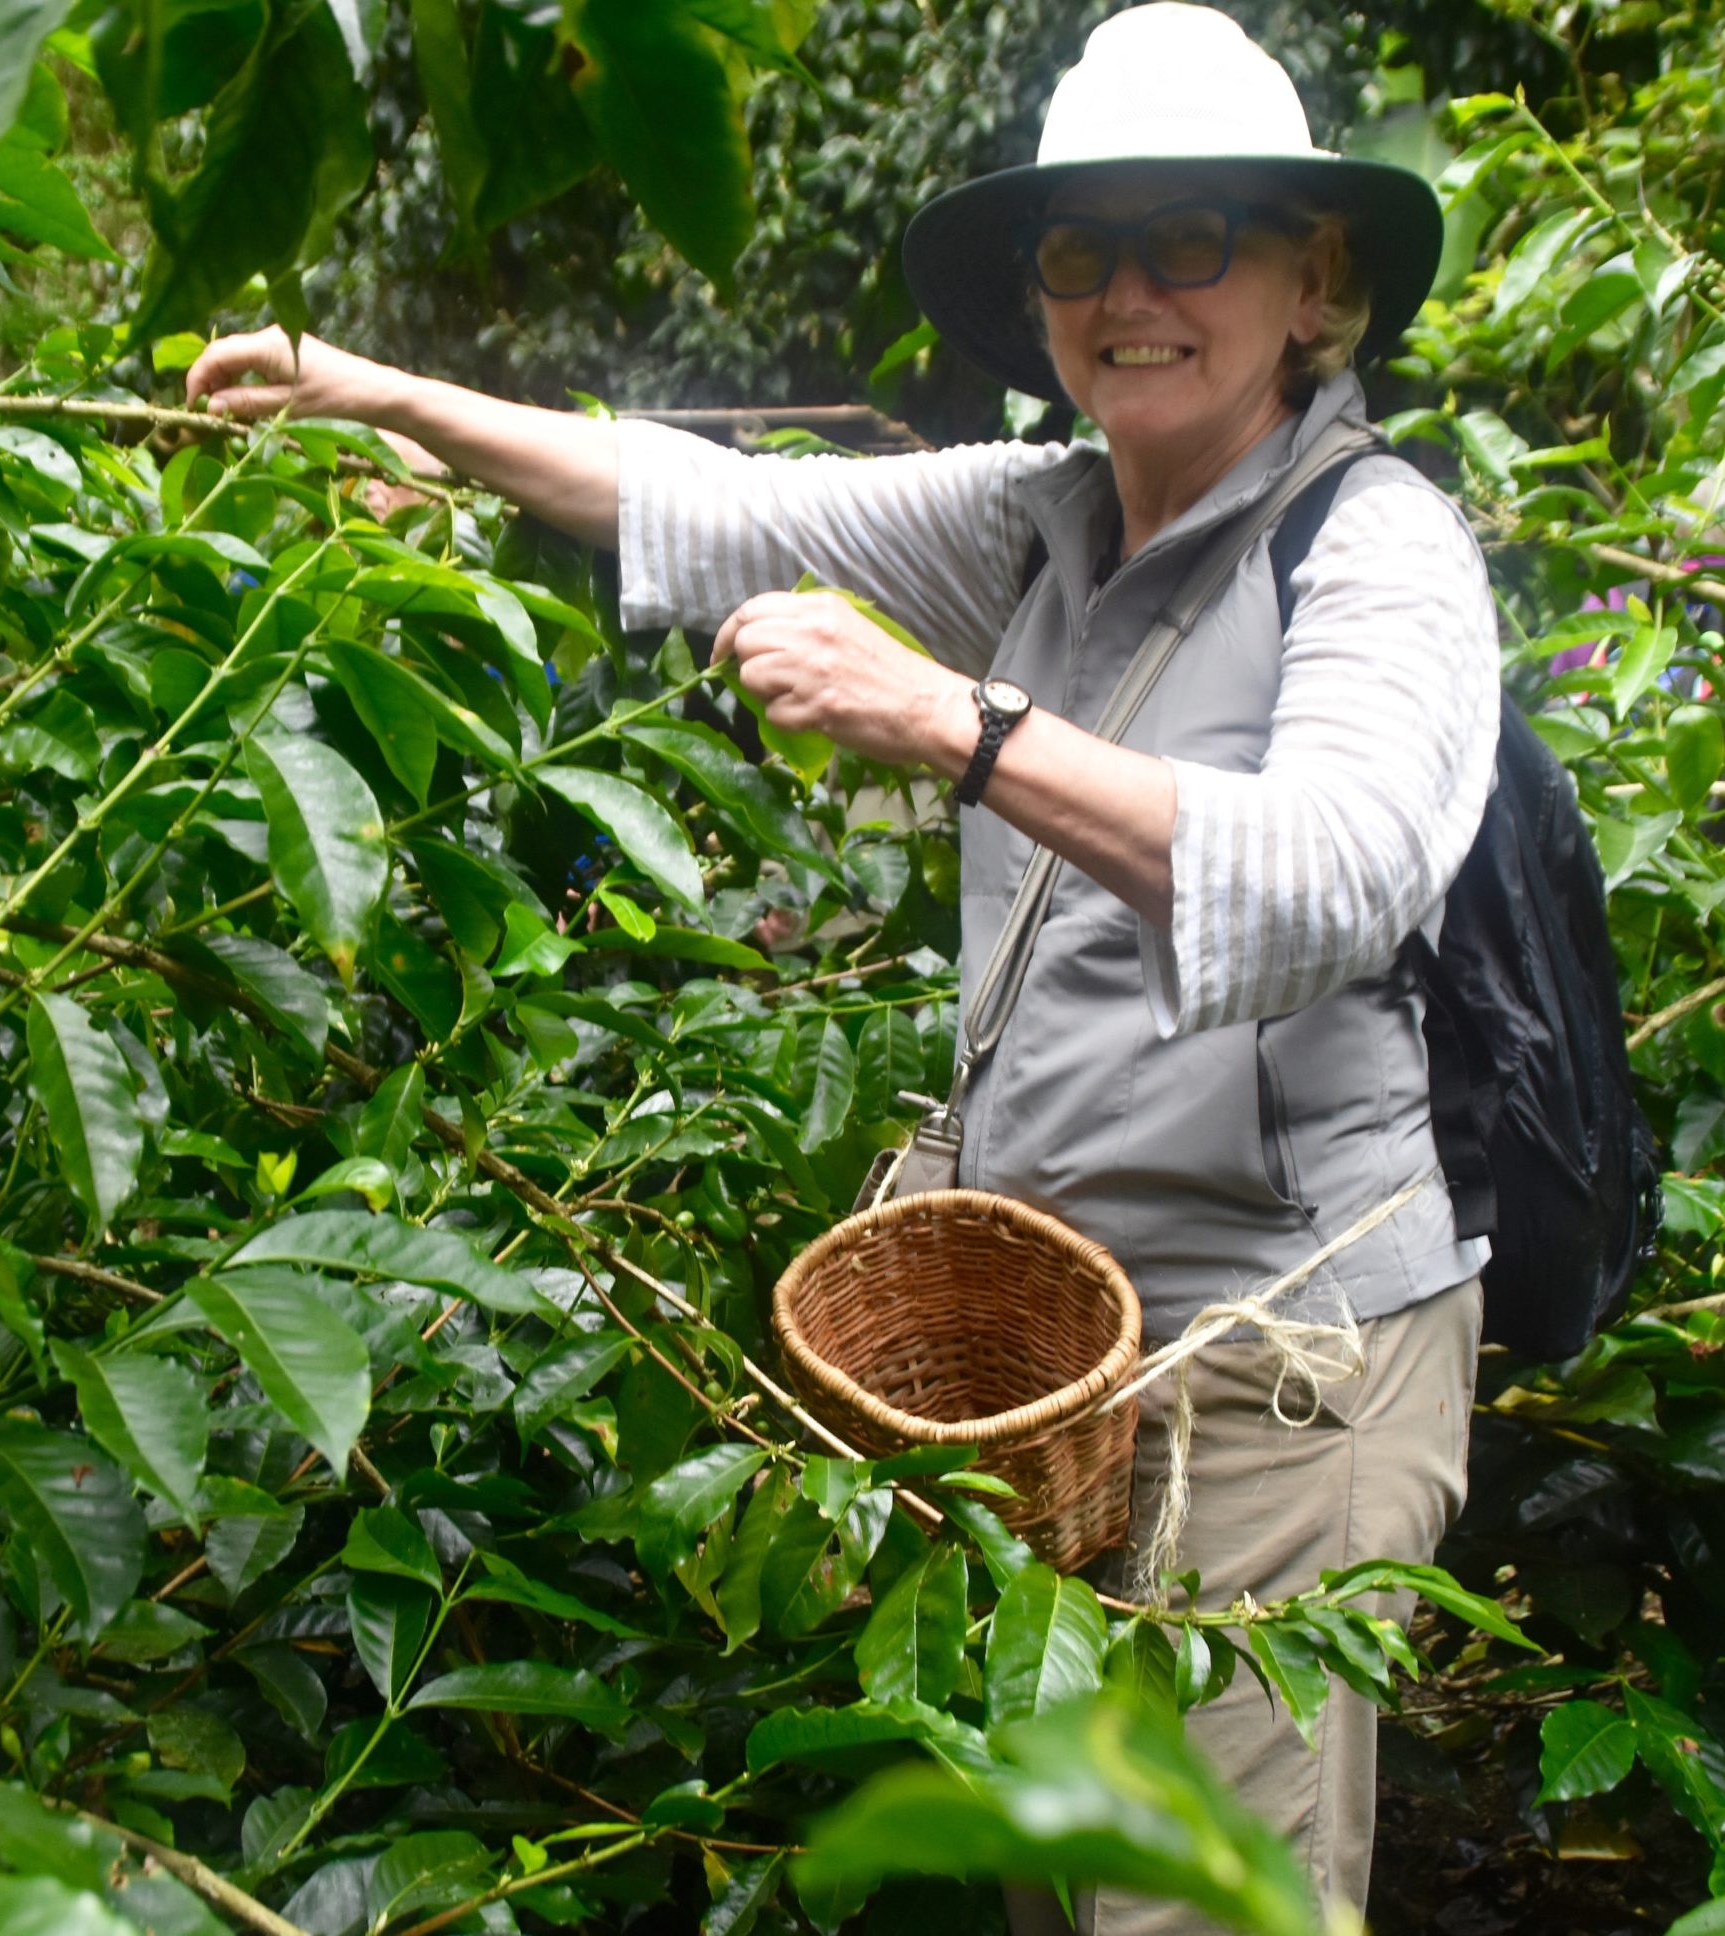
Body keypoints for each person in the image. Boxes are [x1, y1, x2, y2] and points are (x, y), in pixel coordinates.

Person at [186, 6, 1497, 1926]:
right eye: (1083, 251)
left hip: (1275, 1374)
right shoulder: (1040, 523)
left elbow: (1334, 879)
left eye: (1192, 239)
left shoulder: (1377, 549)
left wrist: (955, 725)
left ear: (1317, 282)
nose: (1133, 291)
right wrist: (384, 396)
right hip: (1050, 1375)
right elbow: (703, 500)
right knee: (1063, 1891)